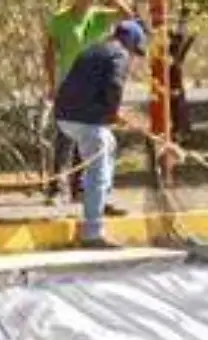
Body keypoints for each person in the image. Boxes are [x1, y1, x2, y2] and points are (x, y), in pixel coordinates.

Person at [54, 20, 147, 248]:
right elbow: (114, 85)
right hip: (85, 120)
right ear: (130, 42)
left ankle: (100, 201)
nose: (133, 56)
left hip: (64, 117)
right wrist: (114, 112)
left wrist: (110, 113)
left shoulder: (92, 48)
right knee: (98, 166)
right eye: (135, 50)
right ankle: (92, 232)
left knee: (109, 143)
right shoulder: (118, 54)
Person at [43, 0, 135, 211]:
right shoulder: (60, 20)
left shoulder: (100, 16)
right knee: (64, 140)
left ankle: (86, 191)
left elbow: (129, 16)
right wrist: (51, 83)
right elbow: (49, 53)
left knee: (93, 142)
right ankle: (57, 188)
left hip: (95, 89)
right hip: (69, 86)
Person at [168, 8, 195, 143]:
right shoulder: (173, 59)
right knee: (178, 112)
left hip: (175, 91)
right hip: (174, 91)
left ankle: (180, 133)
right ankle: (180, 133)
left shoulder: (175, 60)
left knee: (178, 111)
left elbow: (183, 45)